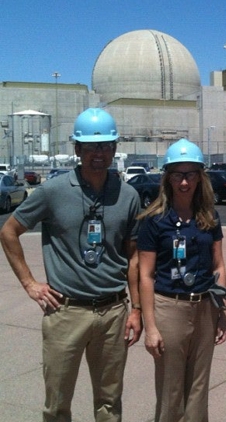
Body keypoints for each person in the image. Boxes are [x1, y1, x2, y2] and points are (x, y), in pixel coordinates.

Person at [0, 108, 143, 422]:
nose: (98, 153)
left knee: (109, 403)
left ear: (115, 148)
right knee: (57, 403)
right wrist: (30, 283)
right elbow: (9, 231)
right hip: (66, 312)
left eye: (105, 146)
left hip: (113, 312)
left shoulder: (128, 195)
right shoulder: (53, 191)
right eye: (90, 147)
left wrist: (136, 310)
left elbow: (134, 257)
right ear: (76, 149)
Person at [137, 138, 226, 421]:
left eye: (191, 174)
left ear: (200, 177)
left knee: (199, 389)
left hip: (205, 308)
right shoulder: (154, 221)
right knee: (170, 390)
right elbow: (146, 275)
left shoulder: (209, 216)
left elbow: (219, 266)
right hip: (169, 308)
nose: (184, 182)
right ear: (168, 178)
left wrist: (222, 312)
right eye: (178, 174)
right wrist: (150, 327)